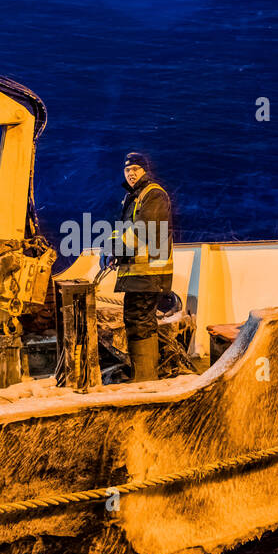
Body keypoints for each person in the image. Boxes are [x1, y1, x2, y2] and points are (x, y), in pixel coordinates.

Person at [109, 151, 174, 381]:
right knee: (136, 320)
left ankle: (145, 379)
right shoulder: (132, 197)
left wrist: (115, 250)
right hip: (138, 275)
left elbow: (142, 232)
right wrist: (111, 249)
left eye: (136, 169)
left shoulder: (153, 194)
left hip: (149, 273)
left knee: (140, 322)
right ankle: (143, 375)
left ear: (146, 171)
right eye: (127, 170)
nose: (131, 174)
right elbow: (123, 230)